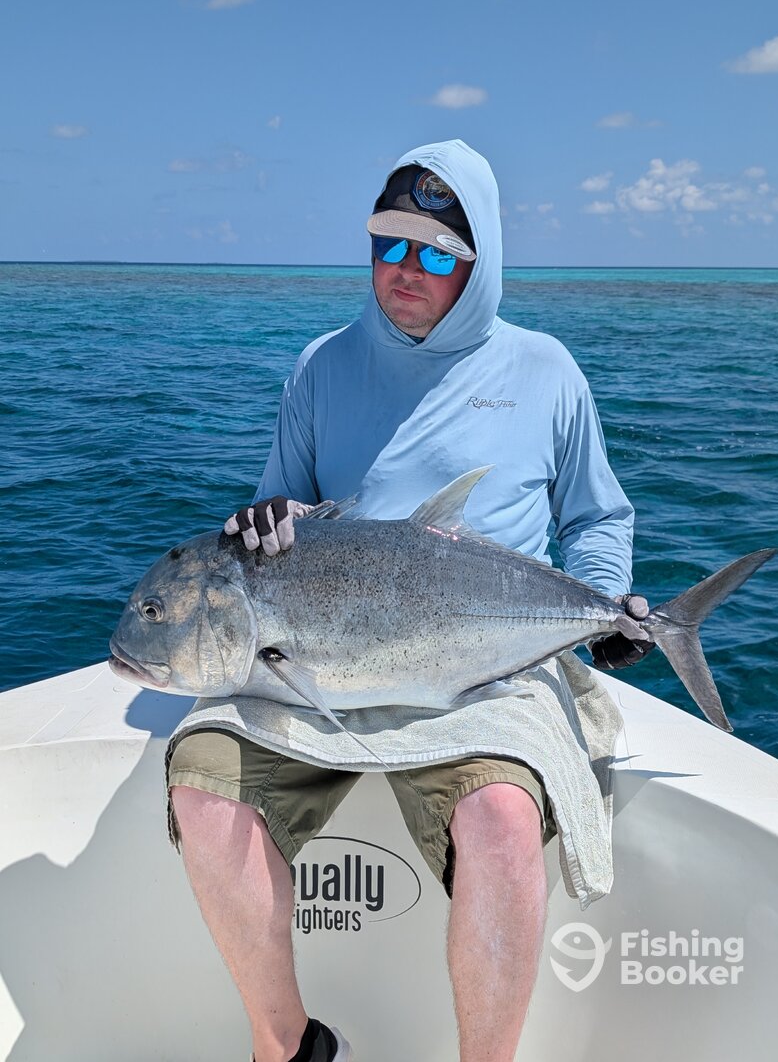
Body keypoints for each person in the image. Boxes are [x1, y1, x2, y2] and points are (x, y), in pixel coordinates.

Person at [166, 140, 649, 1062]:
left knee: (502, 819)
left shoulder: (545, 370)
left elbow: (596, 516)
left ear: (479, 262)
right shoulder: (322, 365)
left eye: (435, 253)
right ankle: (286, 1045)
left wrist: (607, 604)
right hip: (317, 656)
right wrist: (266, 516)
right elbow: (280, 510)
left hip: (483, 665)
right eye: (388, 245)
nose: (404, 270)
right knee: (204, 787)